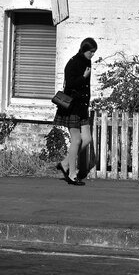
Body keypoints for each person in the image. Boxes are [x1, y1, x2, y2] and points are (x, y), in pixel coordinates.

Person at [54, 37, 97, 186]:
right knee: (77, 140)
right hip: (72, 107)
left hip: (83, 107)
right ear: (84, 50)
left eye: (94, 52)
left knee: (87, 139)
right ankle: (72, 175)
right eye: (91, 52)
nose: (92, 55)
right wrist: (83, 77)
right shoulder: (73, 63)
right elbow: (70, 84)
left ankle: (65, 163)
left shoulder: (87, 62)